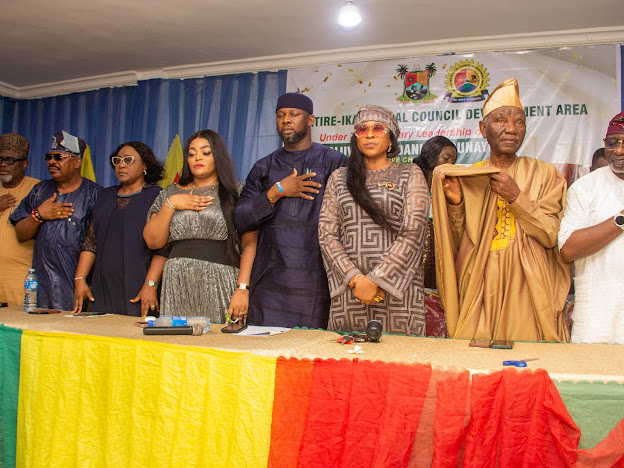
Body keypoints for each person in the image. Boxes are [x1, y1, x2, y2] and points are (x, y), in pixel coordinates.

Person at [432, 79, 571, 342]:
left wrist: (516, 197)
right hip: (480, 284)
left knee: (528, 359)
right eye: (501, 120)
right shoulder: (469, 177)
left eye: (519, 122)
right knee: (474, 360)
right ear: (483, 129)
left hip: (527, 287)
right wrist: (457, 206)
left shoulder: (545, 174)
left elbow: (552, 235)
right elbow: (458, 244)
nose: (511, 129)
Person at [233, 92, 347, 329]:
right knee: (266, 348)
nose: (286, 120)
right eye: (280, 115)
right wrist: (277, 191)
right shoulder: (264, 167)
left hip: (317, 283)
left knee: (310, 349)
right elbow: (241, 219)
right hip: (269, 285)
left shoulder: (335, 163)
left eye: (293, 114)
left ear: (311, 120)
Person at [319, 105, 429, 335]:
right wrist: (355, 278)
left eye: (378, 128)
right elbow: (327, 235)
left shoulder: (410, 173)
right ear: (356, 137)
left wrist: (377, 279)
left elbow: (413, 233)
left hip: (398, 294)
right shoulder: (339, 178)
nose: (369, 134)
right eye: (363, 129)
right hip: (351, 293)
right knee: (348, 355)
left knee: (400, 356)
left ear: (391, 138)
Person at [144, 130, 255, 324]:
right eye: (191, 153)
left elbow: (249, 244)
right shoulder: (170, 193)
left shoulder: (237, 192)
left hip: (220, 279)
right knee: (177, 339)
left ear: (217, 156)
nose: (197, 158)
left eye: (205, 152)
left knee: (218, 340)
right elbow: (154, 242)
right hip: (176, 280)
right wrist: (172, 203)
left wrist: (242, 288)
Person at [73, 142, 167, 316]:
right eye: (117, 160)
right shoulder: (105, 195)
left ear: (145, 166)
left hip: (140, 286)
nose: (121, 165)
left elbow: (164, 247)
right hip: (103, 286)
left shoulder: (158, 196)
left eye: (128, 160)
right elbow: (91, 241)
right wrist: (80, 279)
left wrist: (150, 285)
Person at [10, 130, 100, 310]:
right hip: (41, 291)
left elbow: (97, 243)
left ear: (77, 162)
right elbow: (21, 234)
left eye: (58, 157)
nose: (51, 162)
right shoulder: (39, 191)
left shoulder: (95, 195)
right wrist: (38, 215)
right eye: (49, 157)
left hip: (78, 289)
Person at [558, 112, 624, 344]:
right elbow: (568, 249)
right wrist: (620, 219)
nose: (619, 151)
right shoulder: (585, 188)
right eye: (612, 143)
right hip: (597, 318)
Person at [413, 136, 457, 337]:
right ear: (431, 156)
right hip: (417, 248)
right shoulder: (413, 181)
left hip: (439, 251)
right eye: (446, 159)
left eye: (453, 161)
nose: (450, 165)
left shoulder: (451, 187)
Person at [0, 133, 39, 306]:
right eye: (0, 159)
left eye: (9, 160)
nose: (3, 164)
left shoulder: (37, 189)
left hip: (22, 280)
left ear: (24, 164)